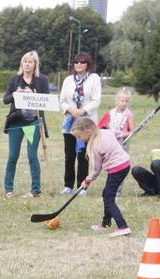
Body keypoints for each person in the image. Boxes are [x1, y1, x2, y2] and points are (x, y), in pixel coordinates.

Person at [73, 116, 131, 238]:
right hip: (125, 164)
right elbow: (117, 133)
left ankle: (123, 226)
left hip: (117, 169)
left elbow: (96, 169)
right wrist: (123, 135)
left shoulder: (95, 146)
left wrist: (87, 180)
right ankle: (105, 223)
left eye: (79, 136)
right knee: (106, 194)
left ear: (87, 131)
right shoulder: (106, 131)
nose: (79, 139)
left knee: (108, 198)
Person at [2, 50, 49, 199]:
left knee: (32, 155)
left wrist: (35, 96)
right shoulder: (15, 79)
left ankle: (35, 189)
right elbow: (5, 99)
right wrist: (16, 94)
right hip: (16, 121)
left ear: (35, 64)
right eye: (25, 61)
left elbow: (46, 101)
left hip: (34, 121)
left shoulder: (42, 80)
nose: (27, 64)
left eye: (30, 61)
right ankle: (8, 189)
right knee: (13, 155)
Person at [59, 52, 102, 195]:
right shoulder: (68, 80)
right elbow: (62, 100)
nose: (79, 64)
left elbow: (96, 100)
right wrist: (71, 110)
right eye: (76, 62)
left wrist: (82, 111)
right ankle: (68, 185)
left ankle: (81, 187)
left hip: (86, 123)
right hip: (70, 123)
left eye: (82, 62)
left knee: (84, 155)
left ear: (87, 64)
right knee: (69, 155)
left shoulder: (94, 79)